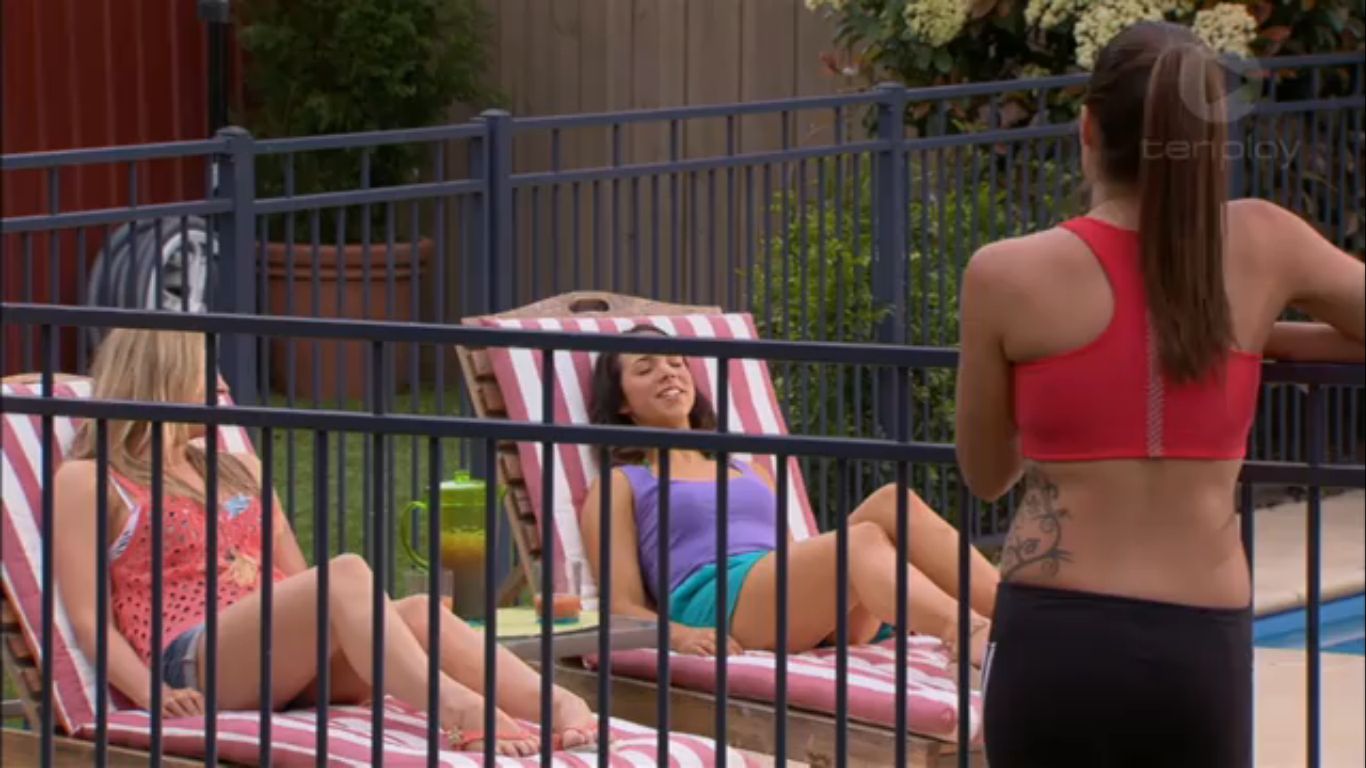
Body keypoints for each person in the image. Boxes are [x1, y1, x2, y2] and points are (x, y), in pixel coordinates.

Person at [953, 21, 1365, 768]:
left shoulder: (1005, 275)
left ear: (1088, 128)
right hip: (1196, 644)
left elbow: (987, 473)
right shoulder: (1263, 244)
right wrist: (1252, 339)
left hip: (1054, 634)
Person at [52, 328, 598, 757]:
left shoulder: (239, 469)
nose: (221, 382)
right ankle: (455, 709)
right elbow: (89, 619)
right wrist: (155, 694)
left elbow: (300, 583)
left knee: (419, 612)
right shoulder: (92, 479)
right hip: (196, 660)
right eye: (206, 369)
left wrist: (361, 634)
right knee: (348, 571)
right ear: (162, 377)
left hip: (283, 664)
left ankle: (557, 704)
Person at [578, 324, 1000, 664]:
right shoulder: (624, 482)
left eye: (676, 363)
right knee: (862, 540)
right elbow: (621, 605)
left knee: (894, 501)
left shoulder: (750, 470)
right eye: (645, 368)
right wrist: (680, 636)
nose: (669, 372)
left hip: (788, 606)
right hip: (718, 604)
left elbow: (793, 557)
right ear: (622, 404)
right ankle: (966, 630)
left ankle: (1015, 614)